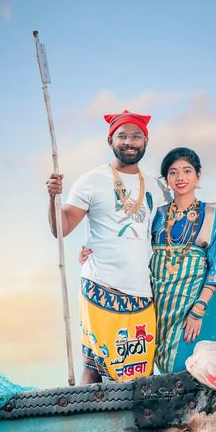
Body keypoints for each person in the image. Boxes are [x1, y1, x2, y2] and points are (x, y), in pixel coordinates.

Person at [81, 147, 216, 374]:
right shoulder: (157, 214)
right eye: (173, 172)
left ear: (198, 176)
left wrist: (198, 310)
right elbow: (129, 239)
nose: (180, 177)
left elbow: (215, 268)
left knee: (191, 370)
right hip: (159, 305)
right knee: (157, 369)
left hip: (193, 305)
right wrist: (93, 250)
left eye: (187, 171)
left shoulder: (211, 213)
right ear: (167, 180)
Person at [46, 110, 169, 384]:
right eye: (122, 136)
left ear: (145, 141)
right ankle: (85, 424)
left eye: (136, 136)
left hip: (142, 290)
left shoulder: (158, 187)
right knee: (94, 363)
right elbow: (61, 228)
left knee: (142, 368)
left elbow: (169, 235)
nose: (129, 142)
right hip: (100, 285)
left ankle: (138, 427)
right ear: (110, 140)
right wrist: (53, 198)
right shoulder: (92, 180)